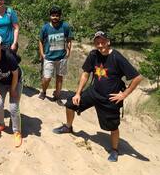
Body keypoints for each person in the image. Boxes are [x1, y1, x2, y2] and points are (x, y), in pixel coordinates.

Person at [52, 31, 143, 162]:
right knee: (70, 104)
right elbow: (85, 73)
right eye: (97, 43)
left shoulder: (117, 57)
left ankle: (114, 150)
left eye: (102, 42)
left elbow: (137, 77)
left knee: (113, 126)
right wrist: (77, 93)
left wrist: (124, 94)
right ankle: (68, 126)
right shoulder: (94, 54)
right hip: (93, 92)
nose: (100, 45)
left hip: (110, 98)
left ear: (108, 42)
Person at [38, 6, 73, 101]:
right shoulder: (45, 28)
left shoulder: (65, 26)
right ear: (50, 16)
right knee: (47, 78)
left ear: (60, 16)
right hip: (49, 57)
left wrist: (69, 51)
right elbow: (40, 41)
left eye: (57, 15)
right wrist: (42, 54)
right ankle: (43, 91)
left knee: (59, 77)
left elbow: (69, 39)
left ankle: (57, 96)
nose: (55, 17)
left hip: (62, 57)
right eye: (53, 15)